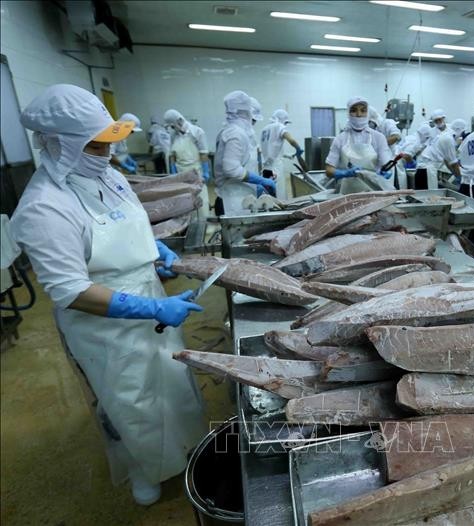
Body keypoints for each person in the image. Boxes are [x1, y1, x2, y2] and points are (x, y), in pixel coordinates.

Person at [9, 85, 207, 505]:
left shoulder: (109, 176)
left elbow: (132, 225)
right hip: (102, 322)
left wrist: (156, 253)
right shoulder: (44, 207)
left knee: (172, 382)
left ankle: (182, 452)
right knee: (129, 399)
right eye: (97, 146)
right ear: (62, 146)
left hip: (149, 296)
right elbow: (70, 290)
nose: (109, 154)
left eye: (108, 143)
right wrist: (151, 307)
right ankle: (143, 469)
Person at [214, 90, 275, 215]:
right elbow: (231, 169)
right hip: (232, 199)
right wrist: (260, 181)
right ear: (247, 113)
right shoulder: (235, 133)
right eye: (253, 120)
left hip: (241, 195)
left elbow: (245, 163)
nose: (253, 124)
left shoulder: (234, 131)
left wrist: (262, 177)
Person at [324, 96, 393, 194]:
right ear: (348, 113)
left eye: (363, 110)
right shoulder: (340, 139)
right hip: (346, 195)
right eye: (354, 110)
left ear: (368, 113)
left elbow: (386, 165)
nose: (359, 114)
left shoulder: (378, 138)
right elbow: (329, 170)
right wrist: (345, 173)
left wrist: (384, 173)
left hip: (374, 193)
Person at [164, 108, 210, 215]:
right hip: (181, 173)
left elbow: (203, 154)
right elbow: (172, 155)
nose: (172, 128)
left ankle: (203, 224)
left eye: (173, 125)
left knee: (201, 202)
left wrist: (205, 172)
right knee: (186, 203)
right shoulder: (173, 135)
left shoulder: (197, 132)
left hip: (197, 172)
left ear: (179, 121)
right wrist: (173, 170)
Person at [260, 109, 304, 200]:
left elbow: (272, 149)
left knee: (268, 196)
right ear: (281, 119)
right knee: (279, 196)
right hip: (276, 169)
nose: (285, 125)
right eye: (285, 122)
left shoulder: (265, 129)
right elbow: (291, 140)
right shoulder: (278, 126)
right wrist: (298, 149)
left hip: (265, 169)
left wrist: (287, 155)